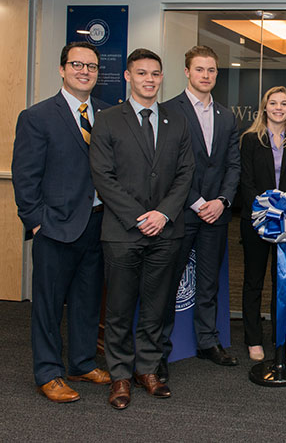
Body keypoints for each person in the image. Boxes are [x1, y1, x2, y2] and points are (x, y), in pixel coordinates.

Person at [90, 48, 195, 409]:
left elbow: (185, 174)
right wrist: (139, 216)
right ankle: (119, 376)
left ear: (162, 77)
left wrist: (163, 214)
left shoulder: (176, 120)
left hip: (166, 231)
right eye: (142, 73)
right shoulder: (107, 119)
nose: (149, 79)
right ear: (128, 77)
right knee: (119, 309)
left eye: (155, 74)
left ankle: (147, 369)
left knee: (156, 306)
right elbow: (103, 176)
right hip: (123, 232)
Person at [12, 41, 111, 403]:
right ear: (62, 69)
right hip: (55, 227)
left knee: (87, 300)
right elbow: (25, 177)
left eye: (92, 66)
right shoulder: (37, 116)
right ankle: (48, 372)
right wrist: (37, 222)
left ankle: (82, 362)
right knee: (49, 304)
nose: (84, 71)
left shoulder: (106, 112)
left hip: (97, 224)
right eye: (77, 65)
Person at [160, 45, 241, 379]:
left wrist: (222, 201)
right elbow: (166, 167)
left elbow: (233, 165)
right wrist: (196, 202)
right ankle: (158, 350)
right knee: (167, 283)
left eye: (211, 70)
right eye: (199, 69)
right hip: (181, 212)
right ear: (187, 72)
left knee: (208, 282)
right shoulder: (169, 111)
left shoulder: (226, 115)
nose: (206, 76)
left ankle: (208, 342)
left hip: (217, 214)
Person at [239, 86, 286, 362]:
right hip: (256, 222)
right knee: (253, 281)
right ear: (264, 107)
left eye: (283, 103)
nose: (278, 108)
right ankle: (253, 339)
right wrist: (263, 212)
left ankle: (280, 335)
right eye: (273, 103)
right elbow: (245, 181)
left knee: (283, 282)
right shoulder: (250, 139)